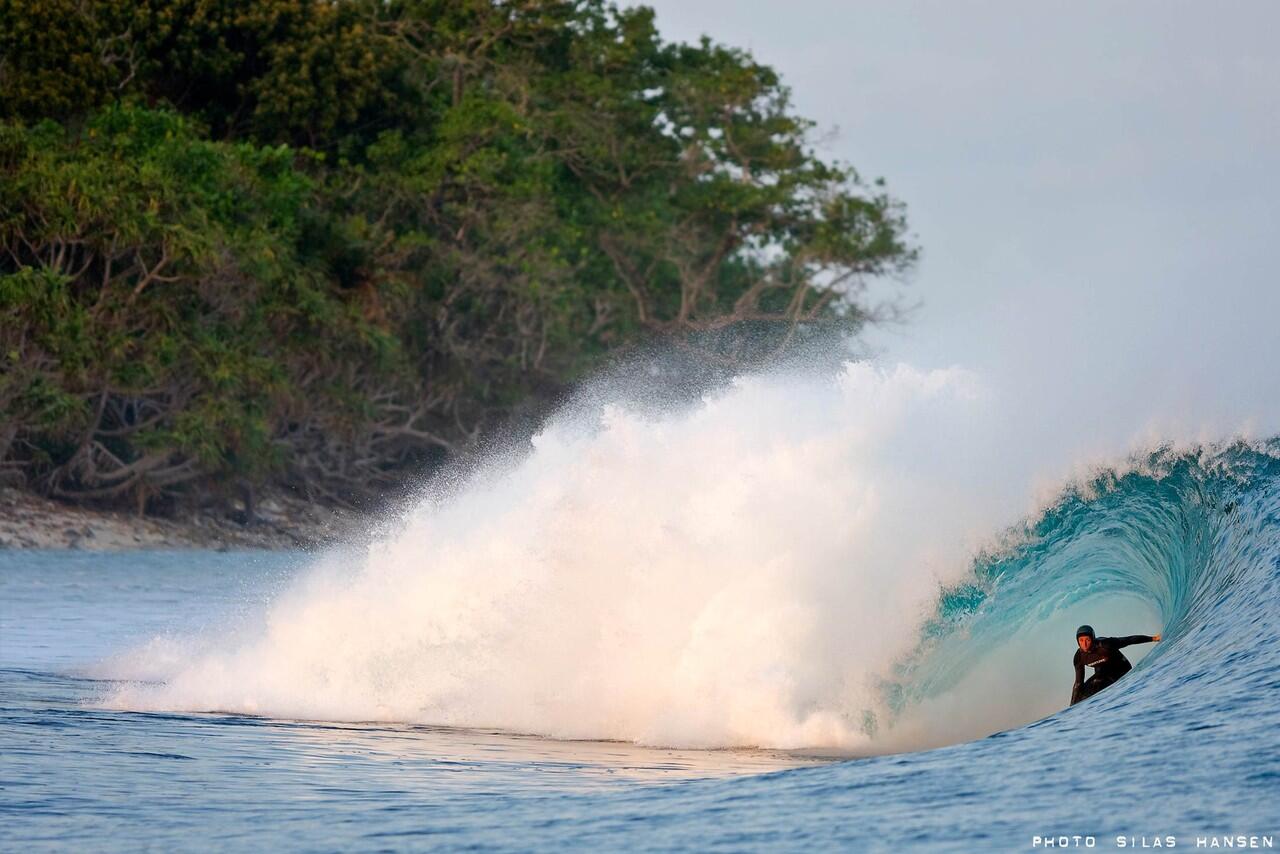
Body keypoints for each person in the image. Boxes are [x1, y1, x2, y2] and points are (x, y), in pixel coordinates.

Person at [1070, 624, 1161, 705]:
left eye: (1087, 640)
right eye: (1081, 640)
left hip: (1121, 669)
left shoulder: (1105, 645)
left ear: (1092, 639)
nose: (1084, 644)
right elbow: (1078, 683)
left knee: (1096, 684)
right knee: (1083, 692)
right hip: (1102, 673)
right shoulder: (1079, 657)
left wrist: (1153, 638)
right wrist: (1071, 706)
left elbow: (1129, 640)